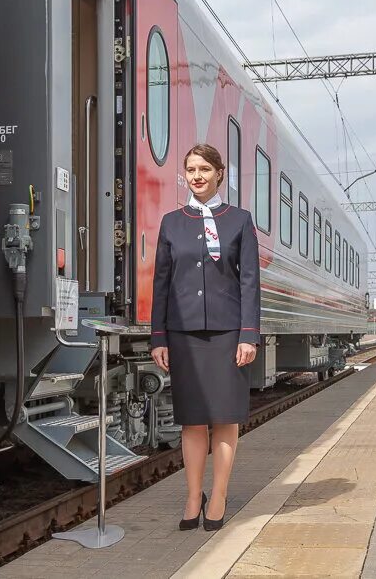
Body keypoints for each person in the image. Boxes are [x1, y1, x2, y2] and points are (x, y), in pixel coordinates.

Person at [150, 143, 261, 532]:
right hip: (183, 334)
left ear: (219, 174)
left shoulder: (240, 220)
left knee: (225, 418)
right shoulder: (172, 222)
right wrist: (158, 337)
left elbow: (249, 281)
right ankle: (191, 496)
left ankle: (218, 496)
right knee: (193, 421)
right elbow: (161, 283)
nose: (197, 176)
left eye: (204, 169)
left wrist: (249, 335)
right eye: (191, 169)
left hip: (229, 333)